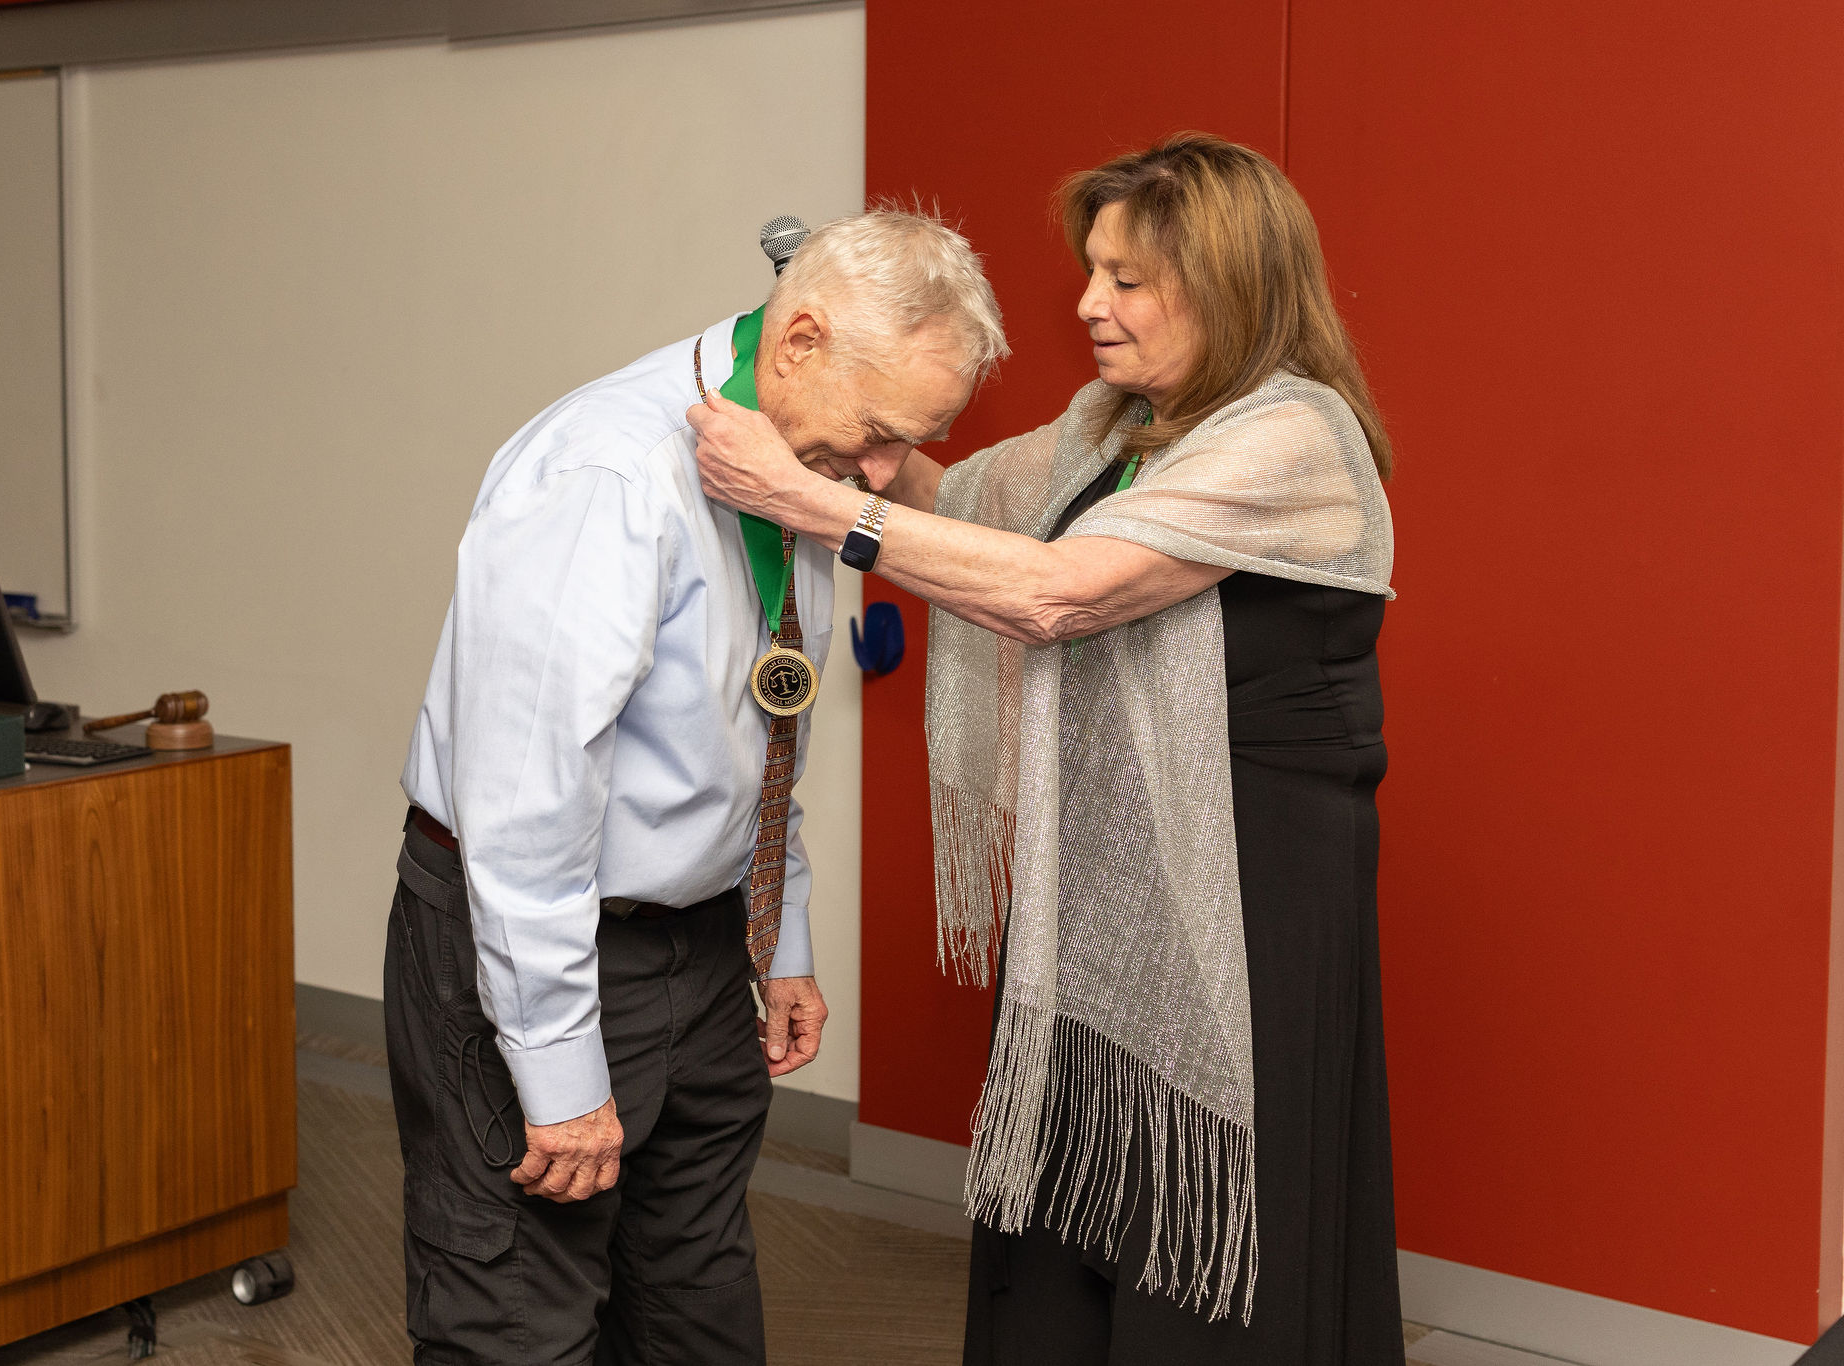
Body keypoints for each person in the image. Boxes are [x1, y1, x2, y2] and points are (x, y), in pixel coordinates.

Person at [689, 135, 1401, 1364]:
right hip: (1105, 853)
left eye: (1125, 279)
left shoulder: (1293, 434)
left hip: (1253, 878)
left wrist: (804, 498)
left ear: (1226, 285)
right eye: (1090, 271)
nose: (1086, 304)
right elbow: (952, 506)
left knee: (1209, 1188)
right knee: (1069, 1175)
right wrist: (828, 387)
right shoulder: (1113, 425)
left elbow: (1054, 592)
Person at [388, 209, 1007, 1365]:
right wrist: (557, 1068)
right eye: (879, 434)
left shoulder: (793, 463)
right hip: (542, 939)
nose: (885, 476)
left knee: (694, 1295)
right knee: (518, 1312)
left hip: (707, 941)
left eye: (912, 442)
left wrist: (777, 935)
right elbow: (524, 803)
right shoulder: (606, 471)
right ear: (799, 340)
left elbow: (756, 725)